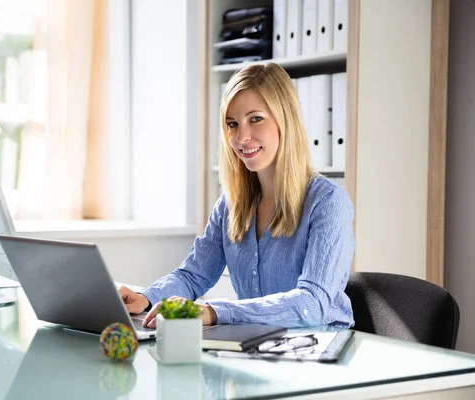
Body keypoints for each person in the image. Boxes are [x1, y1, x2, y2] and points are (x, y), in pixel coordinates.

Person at [119, 63, 355, 329]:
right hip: (259, 350)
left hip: (321, 357)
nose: (242, 137)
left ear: (284, 120)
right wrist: (146, 298)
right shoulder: (231, 205)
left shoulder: (328, 202)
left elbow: (312, 304)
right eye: (232, 124)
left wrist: (215, 312)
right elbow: (193, 275)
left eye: (255, 119)